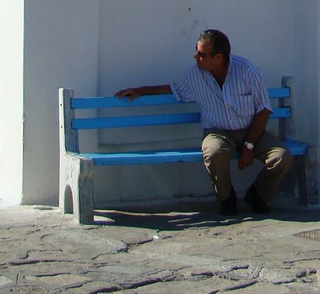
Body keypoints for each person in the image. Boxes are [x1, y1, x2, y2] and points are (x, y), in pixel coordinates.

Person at [116, 28, 292, 216]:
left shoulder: (246, 71)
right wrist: (141, 90)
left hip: (252, 130)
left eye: (201, 54)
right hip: (218, 131)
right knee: (214, 153)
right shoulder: (195, 75)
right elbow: (174, 89)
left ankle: (257, 196)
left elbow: (263, 108)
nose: (195, 56)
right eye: (196, 51)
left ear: (218, 57)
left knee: (281, 157)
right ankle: (226, 199)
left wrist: (249, 145)